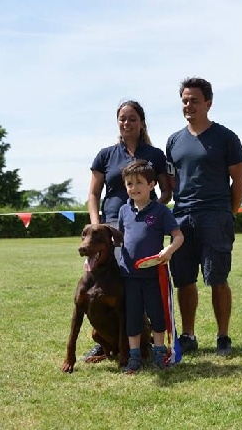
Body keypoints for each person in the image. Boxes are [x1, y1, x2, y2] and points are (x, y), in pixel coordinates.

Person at [82, 99, 172, 361]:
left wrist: (151, 211)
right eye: (122, 118)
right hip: (108, 229)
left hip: (143, 229)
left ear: (141, 122)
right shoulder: (105, 155)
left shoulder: (155, 155)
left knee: (139, 286)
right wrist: (95, 225)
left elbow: (166, 190)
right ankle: (105, 340)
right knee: (99, 289)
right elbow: (93, 192)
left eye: (132, 118)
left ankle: (143, 343)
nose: (127, 122)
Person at [166, 77, 242, 356]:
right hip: (182, 218)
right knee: (184, 280)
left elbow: (240, 181)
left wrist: (228, 212)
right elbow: (172, 183)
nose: (189, 105)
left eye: (195, 100)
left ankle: (223, 336)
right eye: (185, 100)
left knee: (217, 279)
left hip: (216, 216)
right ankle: (188, 335)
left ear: (208, 103)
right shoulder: (174, 141)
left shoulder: (226, 137)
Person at [117, 159, 184, 373]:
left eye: (139, 183)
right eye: (129, 184)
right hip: (129, 275)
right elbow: (118, 240)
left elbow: (178, 237)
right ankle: (134, 356)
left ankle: (159, 352)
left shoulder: (161, 211)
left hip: (155, 275)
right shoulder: (123, 211)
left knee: (157, 315)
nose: (133, 188)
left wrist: (168, 251)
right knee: (133, 316)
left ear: (152, 184)